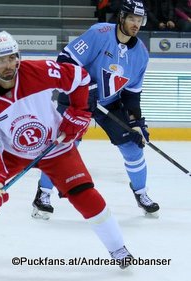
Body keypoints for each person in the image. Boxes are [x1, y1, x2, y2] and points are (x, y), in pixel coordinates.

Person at [0, 31, 133, 268]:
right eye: (0, 61)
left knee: (85, 195)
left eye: (11, 58)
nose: (8, 65)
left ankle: (118, 249)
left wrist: (80, 112)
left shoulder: (39, 72)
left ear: (18, 57)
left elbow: (80, 78)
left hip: (56, 147)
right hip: (10, 152)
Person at [31, 0, 159, 220]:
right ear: (121, 18)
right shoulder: (99, 33)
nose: (136, 24)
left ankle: (141, 193)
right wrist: (85, 87)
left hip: (109, 103)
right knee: (62, 146)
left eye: (140, 20)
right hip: (77, 98)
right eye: (131, 19)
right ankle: (43, 194)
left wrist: (137, 123)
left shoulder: (141, 54)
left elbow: (131, 94)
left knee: (133, 147)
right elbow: (65, 59)